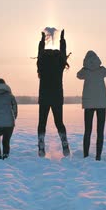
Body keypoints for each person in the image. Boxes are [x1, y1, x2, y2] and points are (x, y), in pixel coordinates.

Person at [37, 29, 70, 157]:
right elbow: (63, 53)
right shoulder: (60, 63)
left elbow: (39, 53)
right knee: (59, 122)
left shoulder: (42, 63)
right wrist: (62, 39)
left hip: (44, 96)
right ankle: (64, 143)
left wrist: (42, 40)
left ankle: (41, 145)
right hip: (57, 97)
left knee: (42, 123)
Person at [76, 50, 106, 160]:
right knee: (100, 131)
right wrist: (100, 66)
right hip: (101, 104)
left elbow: (78, 75)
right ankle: (98, 156)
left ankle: (86, 155)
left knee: (88, 131)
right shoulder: (102, 70)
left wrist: (85, 67)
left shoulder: (85, 71)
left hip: (88, 105)